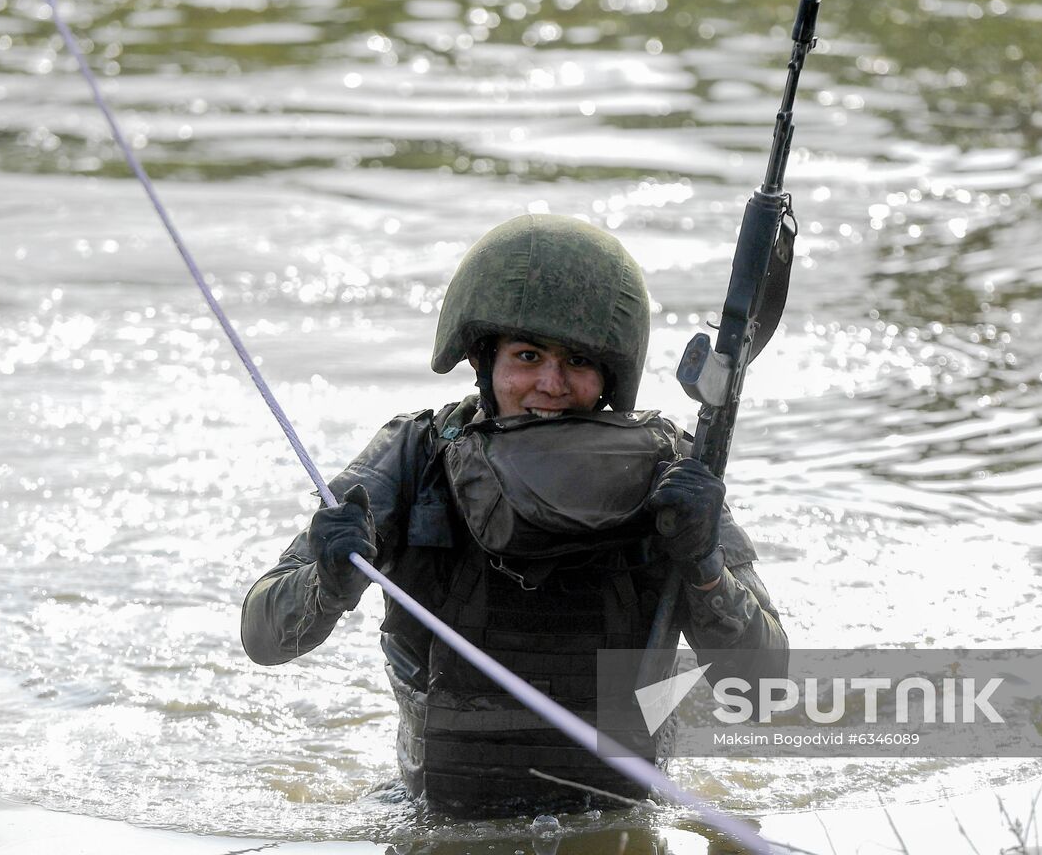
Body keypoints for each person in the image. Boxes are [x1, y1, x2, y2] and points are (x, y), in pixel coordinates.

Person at [241, 214, 788, 816]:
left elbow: (764, 689)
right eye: (528, 356)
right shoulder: (414, 457)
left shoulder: (671, 473)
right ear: (485, 361)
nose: (551, 384)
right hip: (440, 815)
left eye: (577, 361)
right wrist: (328, 582)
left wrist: (703, 563)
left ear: (609, 375)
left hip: (618, 813)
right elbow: (262, 637)